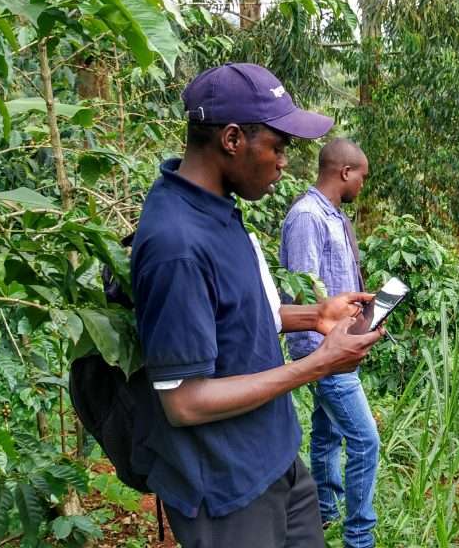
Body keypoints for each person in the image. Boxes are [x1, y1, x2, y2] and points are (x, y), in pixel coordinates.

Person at [130, 63, 384, 548]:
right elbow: (184, 401)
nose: (284, 162)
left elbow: (232, 318)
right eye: (279, 147)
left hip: (277, 460)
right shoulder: (175, 244)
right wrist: (316, 365)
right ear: (231, 139)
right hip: (228, 492)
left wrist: (314, 315)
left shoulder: (219, 211)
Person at [279, 138, 378, 548]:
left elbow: (337, 282)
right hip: (323, 351)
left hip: (339, 342)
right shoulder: (306, 217)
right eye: (362, 177)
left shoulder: (334, 216)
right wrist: (328, 344)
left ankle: (324, 511)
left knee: (326, 434)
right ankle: (359, 537)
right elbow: (302, 290)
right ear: (344, 172)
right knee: (365, 440)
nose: (362, 186)